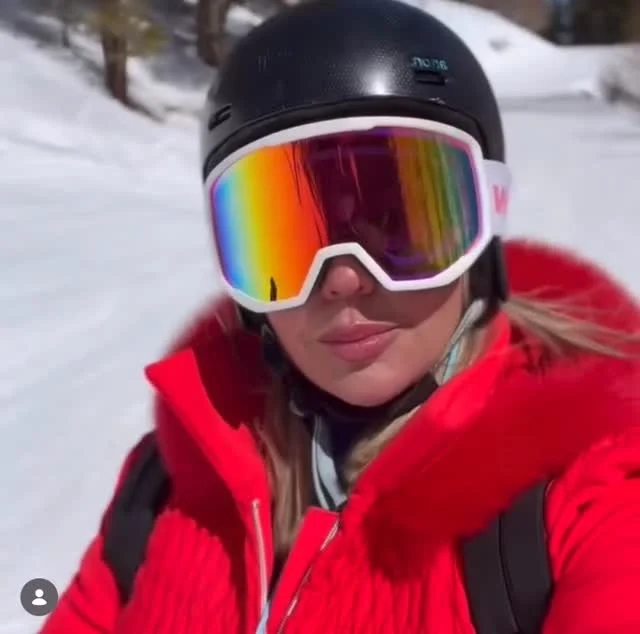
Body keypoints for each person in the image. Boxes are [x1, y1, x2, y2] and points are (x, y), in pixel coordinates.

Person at [42, 1, 640, 633]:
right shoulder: (170, 484)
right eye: (287, 236)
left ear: (484, 221)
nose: (343, 279)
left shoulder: (583, 497)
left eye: (399, 222)